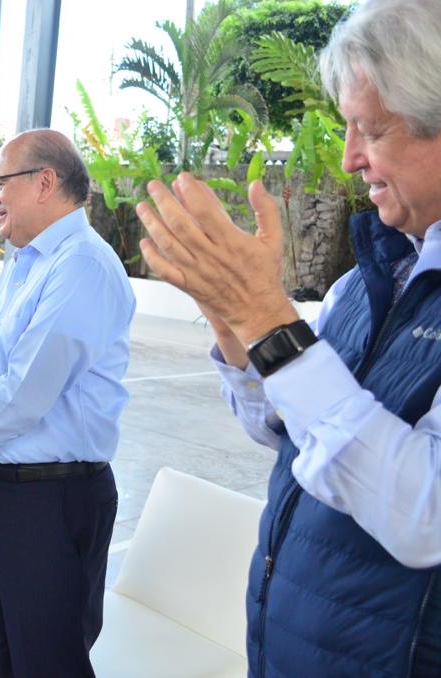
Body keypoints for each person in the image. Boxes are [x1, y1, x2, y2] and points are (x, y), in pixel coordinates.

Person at [135, 1, 441, 674]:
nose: (350, 157)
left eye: (370, 129)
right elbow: (286, 427)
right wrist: (230, 318)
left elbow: (425, 515)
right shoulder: (369, 277)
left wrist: (267, 320)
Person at [0, 129, 135, 675]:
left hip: (53, 500)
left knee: (44, 664)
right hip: (5, 493)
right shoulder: (25, 261)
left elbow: (19, 398)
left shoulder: (81, 265)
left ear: (44, 182)